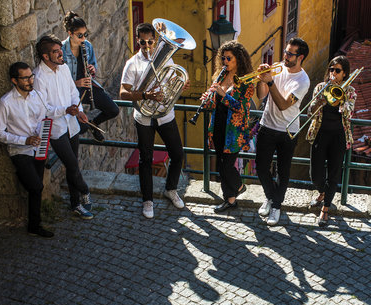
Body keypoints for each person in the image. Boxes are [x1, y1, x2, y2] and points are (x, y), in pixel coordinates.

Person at [120, 22, 187, 218]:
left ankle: (171, 189)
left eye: (150, 41)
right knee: (146, 159)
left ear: (155, 40)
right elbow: (123, 93)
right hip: (144, 117)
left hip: (165, 115)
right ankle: (147, 200)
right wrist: (145, 96)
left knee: (177, 153)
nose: (147, 46)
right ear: (138, 41)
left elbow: (173, 82)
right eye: (143, 42)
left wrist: (182, 84)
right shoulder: (132, 63)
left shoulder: (167, 59)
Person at [34, 34, 94, 220]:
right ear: (45, 56)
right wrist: (66, 110)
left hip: (72, 125)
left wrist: (80, 110)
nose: (61, 54)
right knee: (72, 163)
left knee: (72, 165)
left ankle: (75, 204)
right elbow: (44, 110)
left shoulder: (64, 68)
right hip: (56, 129)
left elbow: (73, 93)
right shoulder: (38, 77)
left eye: (60, 50)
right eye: (56, 52)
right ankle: (84, 189)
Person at [0, 62, 54, 237]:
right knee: (35, 187)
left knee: (37, 188)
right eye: (25, 78)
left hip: (39, 148)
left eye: (31, 76)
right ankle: (34, 223)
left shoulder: (38, 96)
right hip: (19, 151)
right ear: (14, 80)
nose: (30, 81)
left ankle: (34, 225)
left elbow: (45, 116)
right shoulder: (5, 103)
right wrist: (24, 140)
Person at [255, 37, 310, 226]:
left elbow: (284, 104)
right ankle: (271, 197)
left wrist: (270, 82)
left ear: (300, 57)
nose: (285, 56)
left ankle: (276, 206)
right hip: (267, 125)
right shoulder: (277, 68)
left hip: (288, 130)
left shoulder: (303, 81)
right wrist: (261, 79)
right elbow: (261, 95)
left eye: (290, 53)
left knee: (283, 171)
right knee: (261, 167)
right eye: (286, 52)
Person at [199, 40, 254, 213]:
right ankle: (229, 200)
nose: (225, 62)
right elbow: (214, 104)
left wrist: (223, 95)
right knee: (221, 164)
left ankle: (238, 186)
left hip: (234, 130)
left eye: (229, 58)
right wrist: (207, 100)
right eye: (223, 58)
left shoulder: (246, 81)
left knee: (227, 165)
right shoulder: (220, 76)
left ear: (238, 59)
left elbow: (241, 108)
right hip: (217, 126)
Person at [306, 56, 357, 227]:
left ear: (344, 74)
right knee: (315, 174)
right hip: (320, 133)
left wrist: (340, 99)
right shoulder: (321, 87)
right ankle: (322, 192)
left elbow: (349, 114)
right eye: (331, 69)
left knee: (334, 173)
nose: (333, 73)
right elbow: (310, 112)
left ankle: (325, 208)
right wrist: (319, 100)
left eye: (337, 70)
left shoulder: (350, 91)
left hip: (338, 136)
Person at [61, 11, 119, 142]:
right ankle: (84, 129)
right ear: (70, 33)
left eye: (85, 35)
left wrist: (92, 69)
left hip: (87, 87)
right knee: (81, 128)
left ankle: (94, 124)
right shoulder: (61, 50)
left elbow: (93, 66)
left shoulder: (87, 46)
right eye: (79, 35)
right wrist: (76, 83)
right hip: (70, 92)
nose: (83, 39)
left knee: (113, 110)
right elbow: (59, 80)